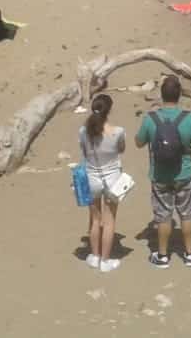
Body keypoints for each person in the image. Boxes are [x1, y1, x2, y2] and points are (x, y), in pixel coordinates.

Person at [136, 75, 191, 268]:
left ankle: (162, 256)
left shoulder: (150, 119)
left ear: (161, 95)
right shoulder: (190, 119)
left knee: (163, 215)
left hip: (160, 175)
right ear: (179, 95)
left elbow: (138, 142)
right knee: (186, 213)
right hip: (184, 174)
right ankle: (189, 253)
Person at [79, 94, 126, 272]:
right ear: (109, 110)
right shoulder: (118, 131)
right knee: (109, 221)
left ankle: (95, 256)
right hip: (112, 178)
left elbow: (83, 151)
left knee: (95, 219)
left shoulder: (83, 131)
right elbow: (121, 149)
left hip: (92, 178)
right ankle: (106, 261)